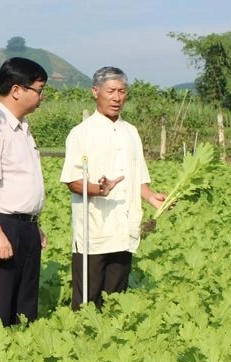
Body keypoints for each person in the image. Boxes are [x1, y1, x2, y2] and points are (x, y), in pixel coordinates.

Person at [60, 66, 166, 310]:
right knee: (88, 302)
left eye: (122, 91)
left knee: (116, 300)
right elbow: (72, 181)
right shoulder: (81, 133)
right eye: (111, 91)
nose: (117, 97)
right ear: (95, 92)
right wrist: (100, 189)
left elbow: (138, 176)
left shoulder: (131, 132)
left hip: (124, 229)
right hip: (94, 231)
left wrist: (152, 197)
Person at [0, 57, 48, 327]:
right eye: (39, 90)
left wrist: (33, 223)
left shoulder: (22, 128)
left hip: (25, 226)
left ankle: (21, 359)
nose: (41, 97)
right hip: (3, 225)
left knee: (25, 304)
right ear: (17, 90)